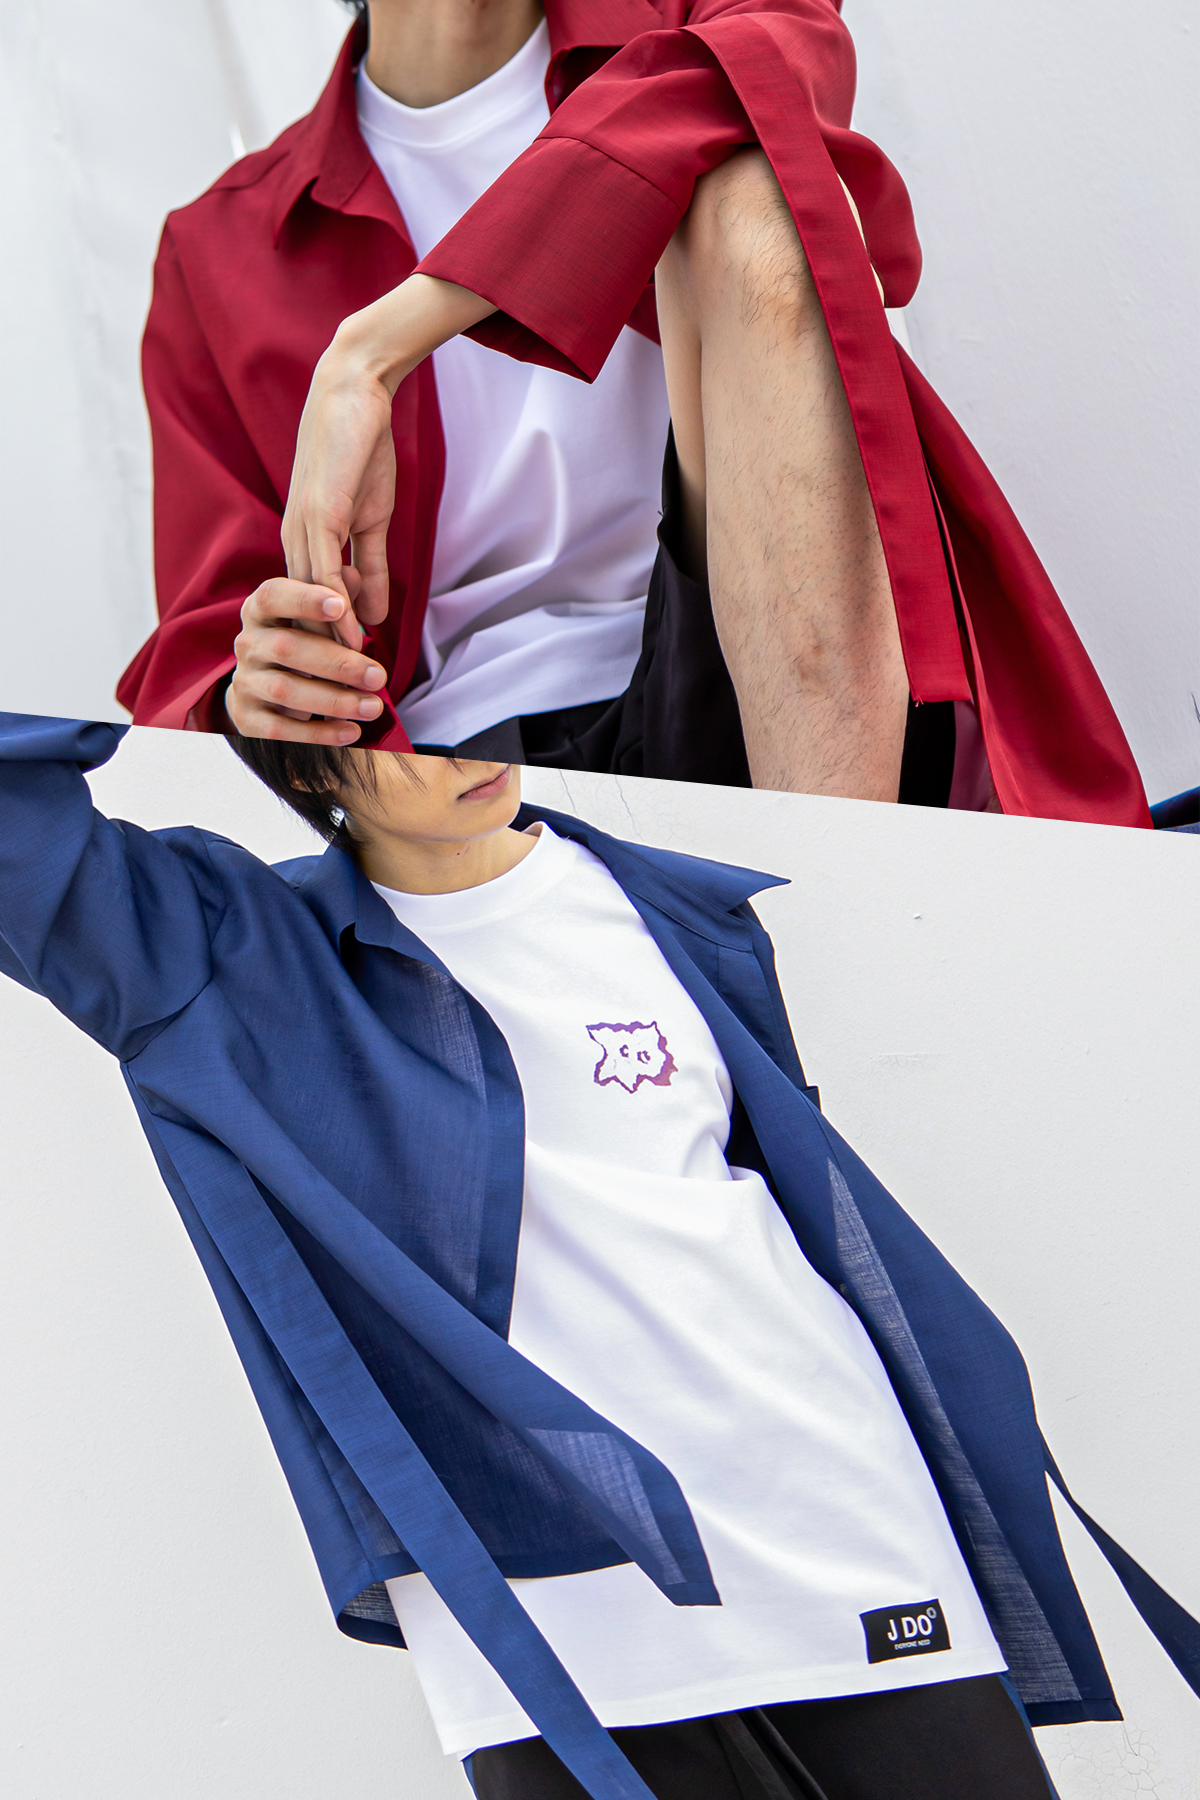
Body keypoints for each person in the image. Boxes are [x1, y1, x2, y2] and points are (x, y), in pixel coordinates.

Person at [0, 714, 1192, 1800]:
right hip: (541, 1578)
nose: (461, 742)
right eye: (394, 724)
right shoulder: (225, 960)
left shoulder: (677, 913)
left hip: (827, 1507)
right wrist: (205, 663)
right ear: (305, 760)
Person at [118, 0, 1150, 825]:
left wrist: (378, 343)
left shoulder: (683, 29)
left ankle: (850, 898)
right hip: (450, 775)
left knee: (749, 178)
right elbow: (200, 649)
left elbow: (782, 49)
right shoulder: (218, 249)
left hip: (754, 691)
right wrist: (254, 684)